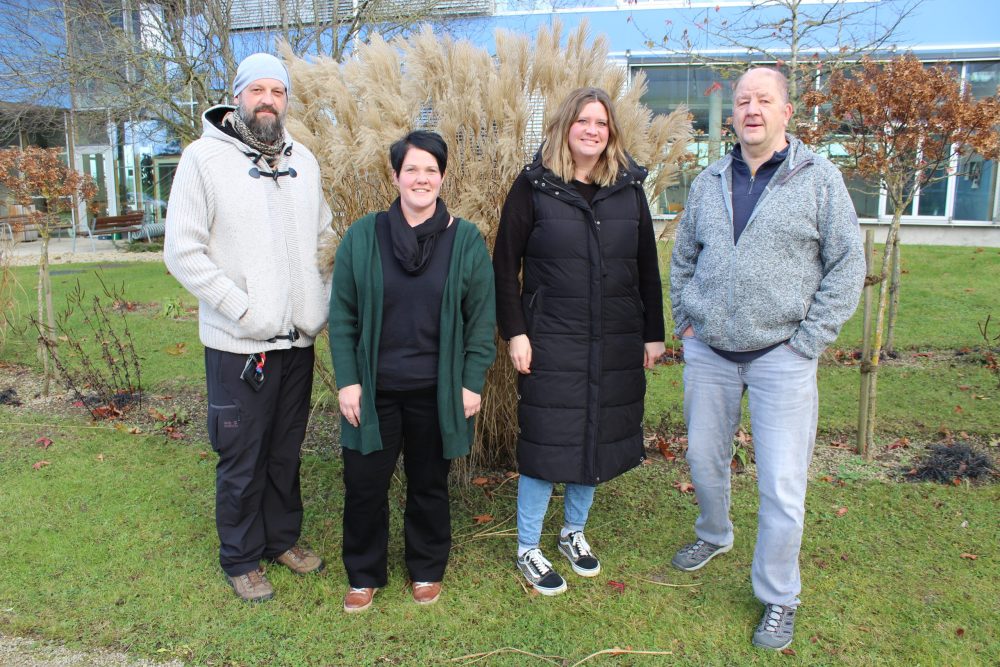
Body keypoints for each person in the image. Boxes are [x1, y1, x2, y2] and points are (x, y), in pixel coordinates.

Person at [669, 67, 865, 650]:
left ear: (786, 112)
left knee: (781, 484)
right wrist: (687, 319)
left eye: (764, 100)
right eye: (743, 101)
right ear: (732, 114)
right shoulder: (709, 180)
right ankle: (715, 532)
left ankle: (779, 596)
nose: (752, 109)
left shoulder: (818, 179)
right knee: (704, 461)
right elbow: (683, 257)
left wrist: (810, 338)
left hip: (783, 354)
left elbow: (847, 263)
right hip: (710, 353)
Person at [164, 53, 331, 603]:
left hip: (298, 340)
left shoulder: (303, 159)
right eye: (256, 89)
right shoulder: (203, 160)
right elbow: (182, 251)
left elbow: (326, 238)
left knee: (286, 448)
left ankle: (281, 538)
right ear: (237, 95)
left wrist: (320, 303)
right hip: (239, 345)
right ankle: (240, 557)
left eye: (277, 91)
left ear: (286, 100)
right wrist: (243, 310)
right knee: (242, 453)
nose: (267, 99)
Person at [493, 87, 666, 596]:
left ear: (611, 132)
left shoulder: (627, 189)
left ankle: (573, 532)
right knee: (547, 440)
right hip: (551, 338)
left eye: (602, 123)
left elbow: (646, 268)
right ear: (566, 125)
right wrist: (516, 332)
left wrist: (652, 333)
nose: (593, 130)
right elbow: (506, 267)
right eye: (584, 120)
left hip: (613, 337)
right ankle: (528, 545)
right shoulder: (533, 186)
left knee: (595, 430)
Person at [328, 131, 496, 613]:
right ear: (395, 175)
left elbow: (481, 319)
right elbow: (343, 314)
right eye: (412, 169)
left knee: (428, 485)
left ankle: (426, 568)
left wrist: (470, 383)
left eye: (431, 170)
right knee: (364, 485)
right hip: (374, 391)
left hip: (436, 392)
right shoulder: (364, 235)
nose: (421, 178)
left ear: (442, 177)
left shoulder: (464, 240)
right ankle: (363, 573)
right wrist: (348, 380)